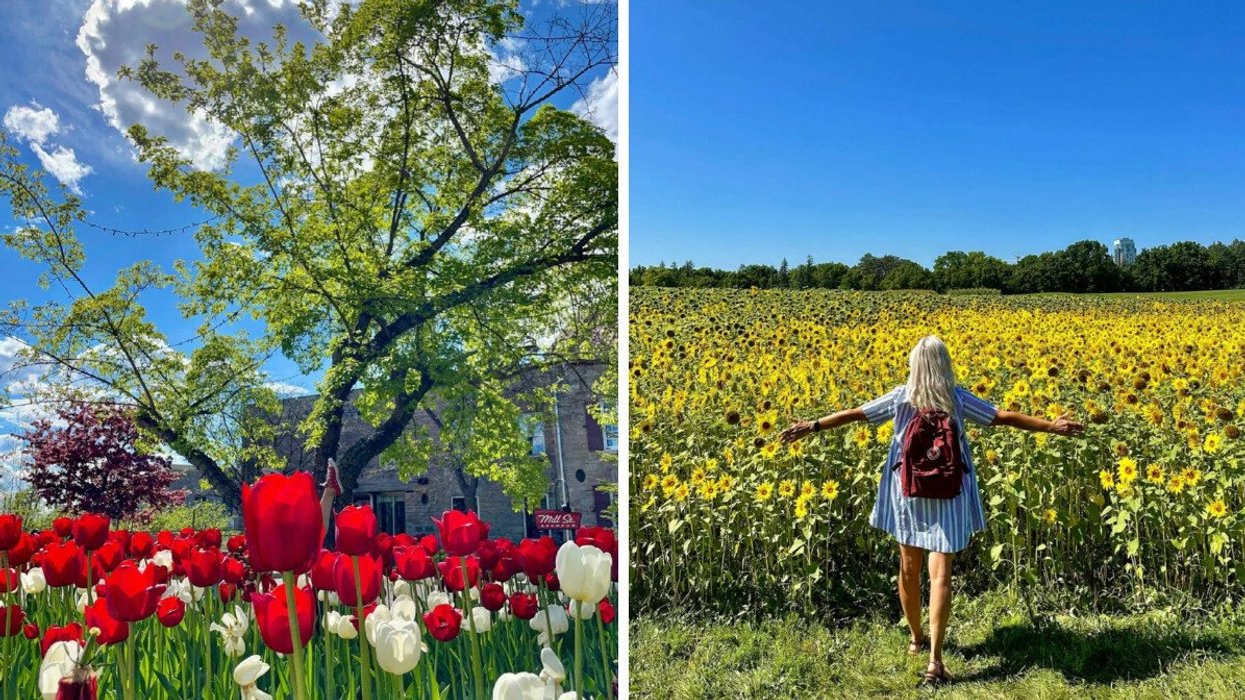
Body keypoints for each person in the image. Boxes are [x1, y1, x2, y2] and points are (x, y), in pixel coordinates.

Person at [779, 335, 1083, 684]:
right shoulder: (956, 398)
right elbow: (1002, 417)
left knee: (908, 569)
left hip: (907, 492)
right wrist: (1050, 425)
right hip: (950, 491)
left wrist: (811, 425)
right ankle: (936, 660)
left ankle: (915, 638)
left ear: (914, 366)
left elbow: (856, 414)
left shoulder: (901, 397)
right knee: (941, 576)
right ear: (944, 365)